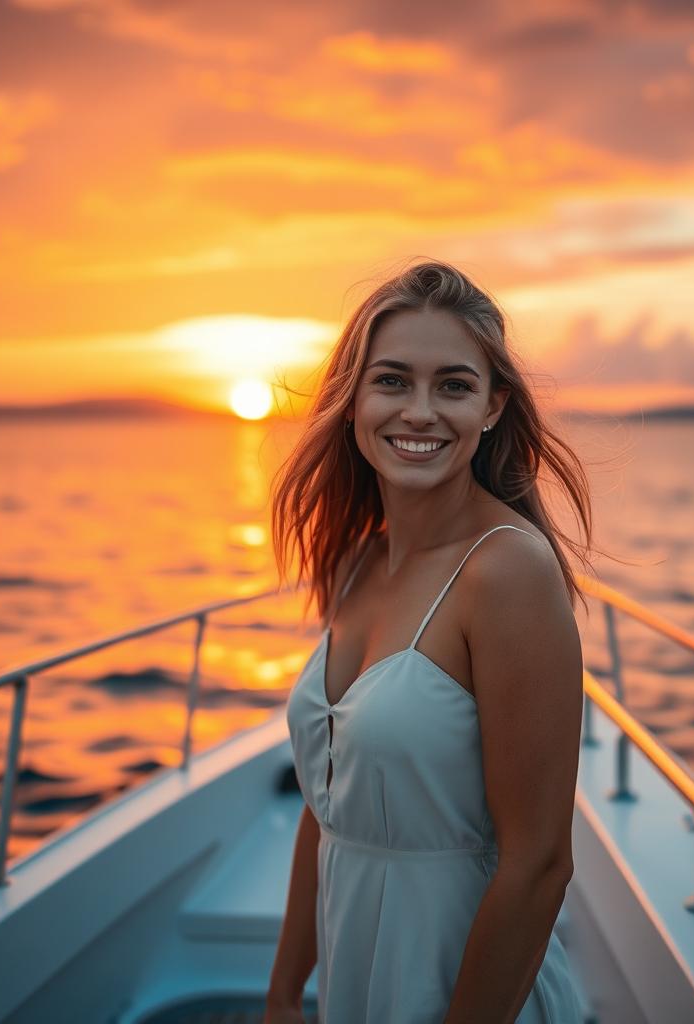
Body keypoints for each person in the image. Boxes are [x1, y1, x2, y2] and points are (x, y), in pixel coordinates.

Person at [265, 259, 595, 1023]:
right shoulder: (356, 562)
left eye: (452, 385)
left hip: (461, 986)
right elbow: (327, 803)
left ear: (491, 406)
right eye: (391, 381)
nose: (419, 411)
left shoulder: (507, 572)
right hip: (354, 979)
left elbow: (539, 864)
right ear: (351, 402)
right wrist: (285, 992)